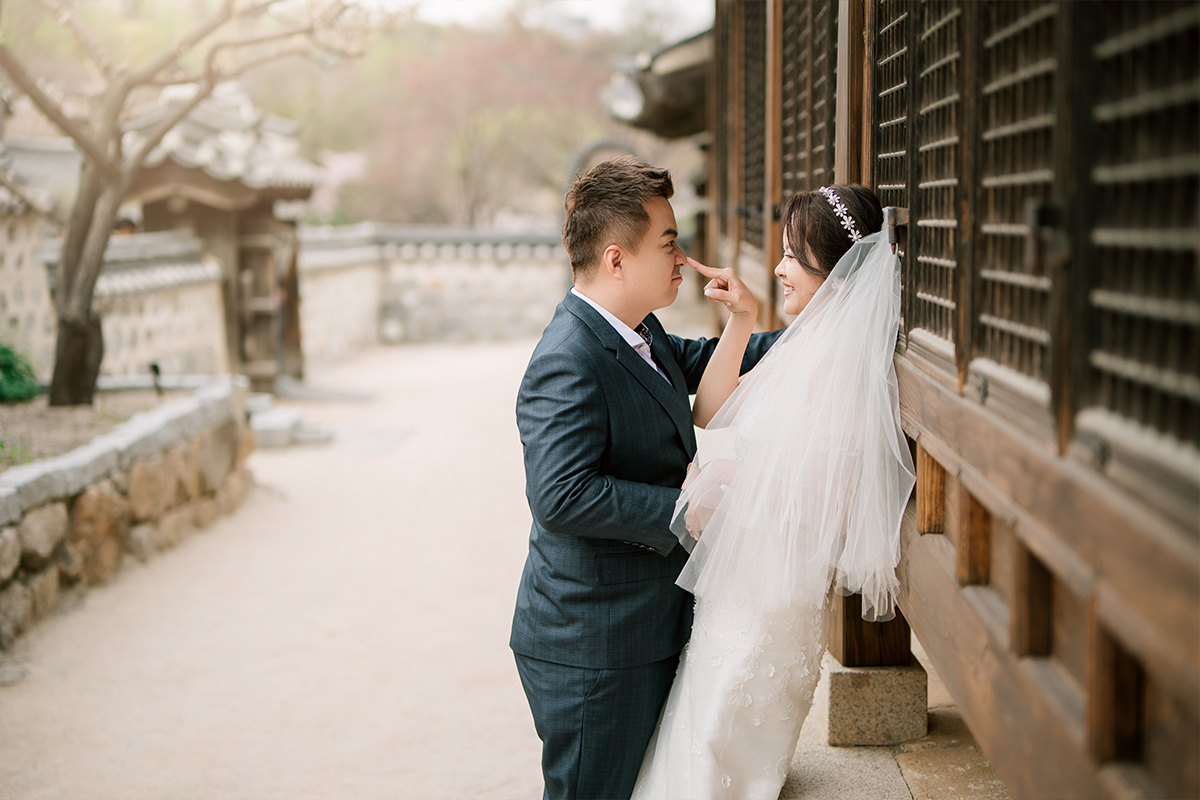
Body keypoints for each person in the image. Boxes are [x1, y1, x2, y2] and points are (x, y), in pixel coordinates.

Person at [511, 156, 783, 800]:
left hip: (644, 619)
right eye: (668, 243)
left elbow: (703, 363)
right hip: (593, 644)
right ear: (615, 260)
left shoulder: (640, 330)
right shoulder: (567, 359)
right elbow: (560, 496)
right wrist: (684, 509)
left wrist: (815, 328)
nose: (682, 259)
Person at [632, 185, 917, 800]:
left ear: (836, 272)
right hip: (747, 578)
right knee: (705, 719)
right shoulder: (804, 342)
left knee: (725, 729)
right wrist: (743, 320)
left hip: (771, 586)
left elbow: (821, 499)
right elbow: (711, 412)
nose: (779, 267)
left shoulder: (845, 365)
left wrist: (723, 488)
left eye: (794, 256)